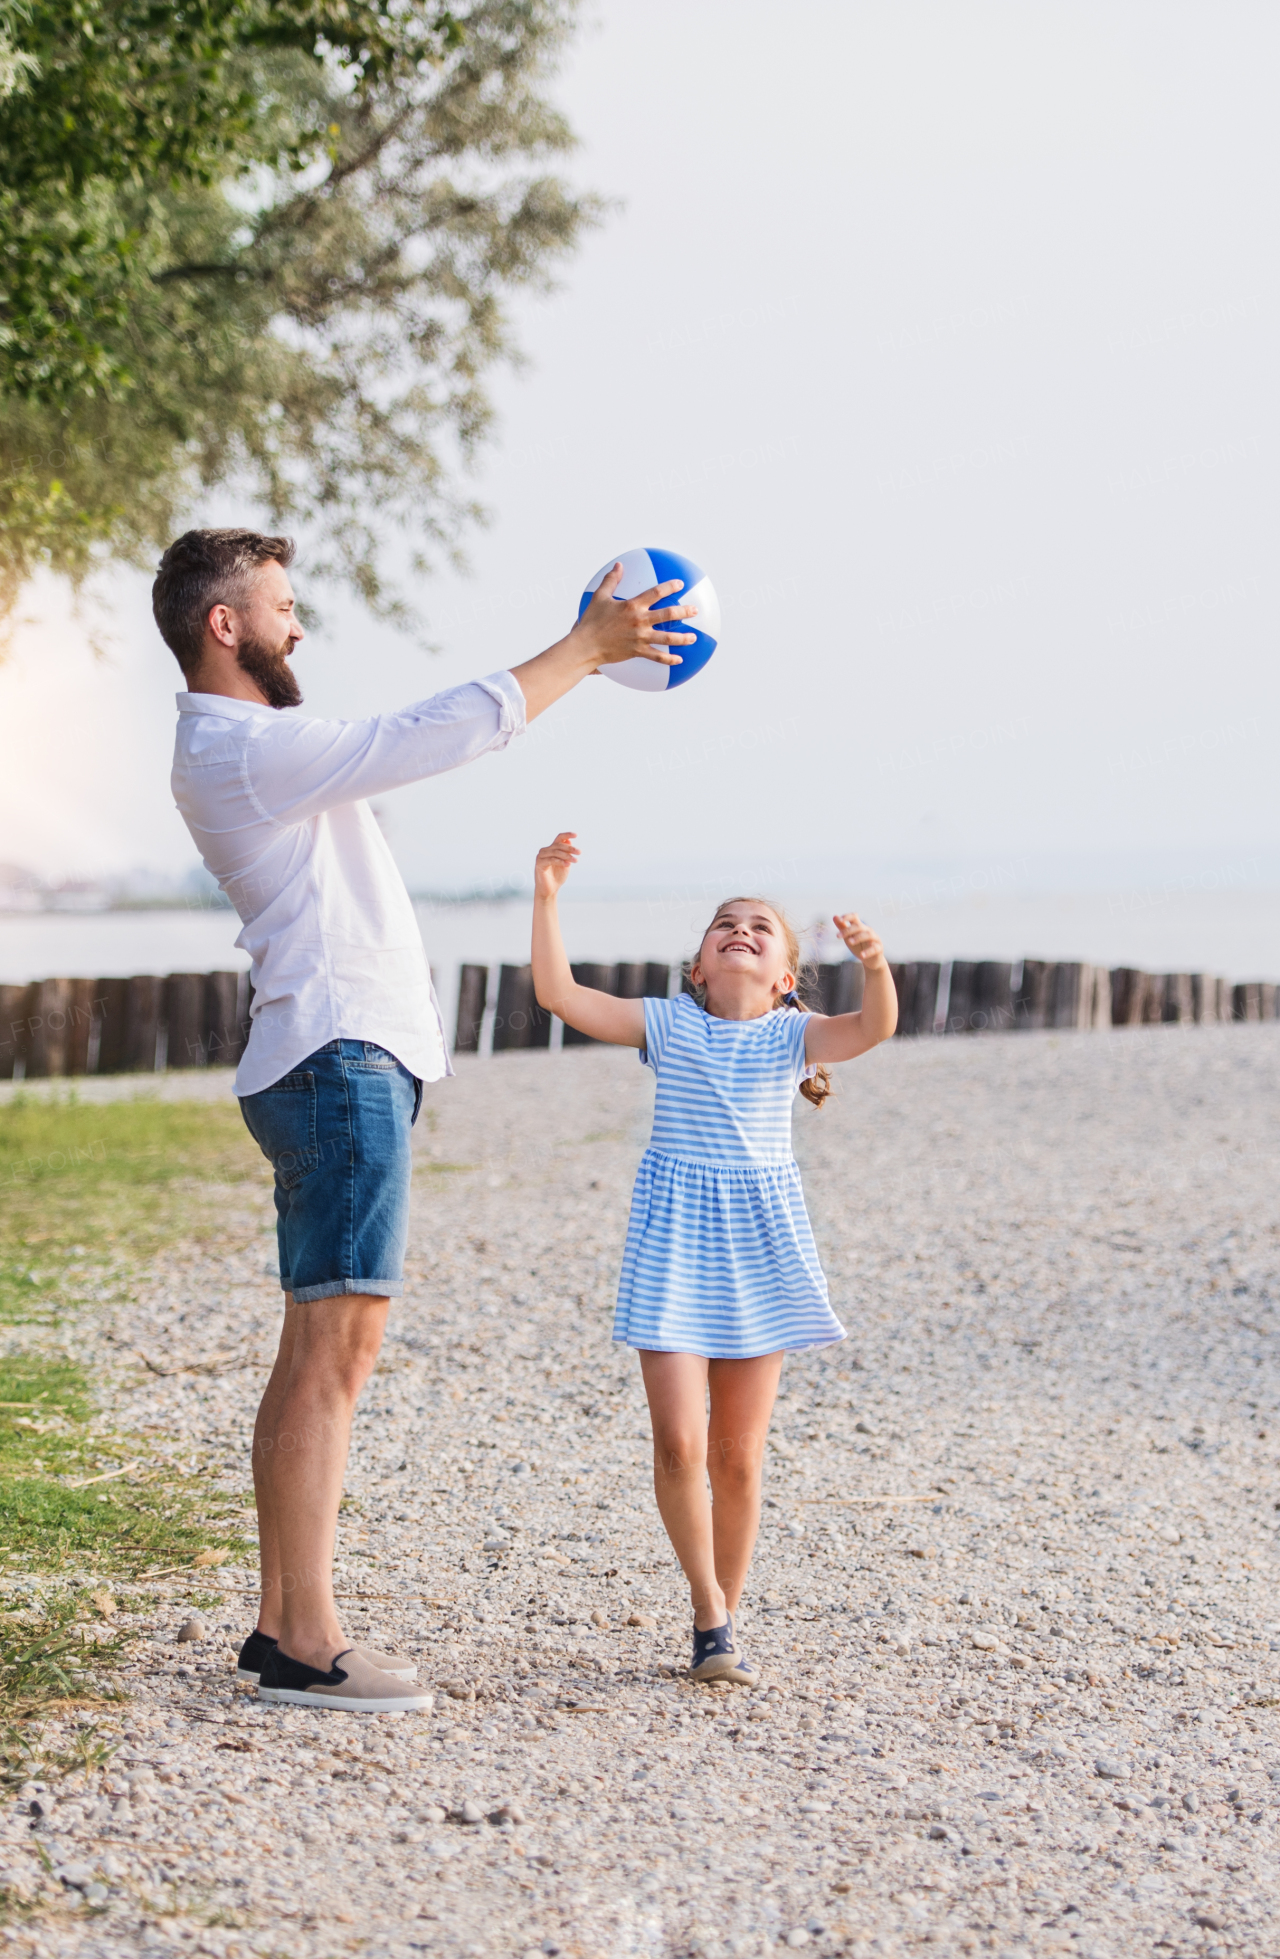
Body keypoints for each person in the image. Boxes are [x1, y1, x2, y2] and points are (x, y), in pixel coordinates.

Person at [155, 530, 698, 1714]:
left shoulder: (246, 747)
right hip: (335, 1059)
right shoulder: (245, 746)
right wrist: (586, 649)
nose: (299, 627)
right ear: (224, 626)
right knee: (335, 1353)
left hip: (341, 1058)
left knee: (318, 1348)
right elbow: (421, 738)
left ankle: (281, 1623)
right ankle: (306, 1640)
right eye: (282, 607)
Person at [530, 832, 897, 1682]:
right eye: (723, 923)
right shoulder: (666, 1023)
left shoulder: (792, 1036)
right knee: (678, 1447)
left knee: (737, 1455)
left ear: (784, 978)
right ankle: (706, 1609)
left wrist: (874, 965)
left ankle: (722, 1626)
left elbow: (874, 1029)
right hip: (674, 1247)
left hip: (759, 1250)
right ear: (697, 966)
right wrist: (548, 896)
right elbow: (560, 992)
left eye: (759, 926)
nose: (740, 929)